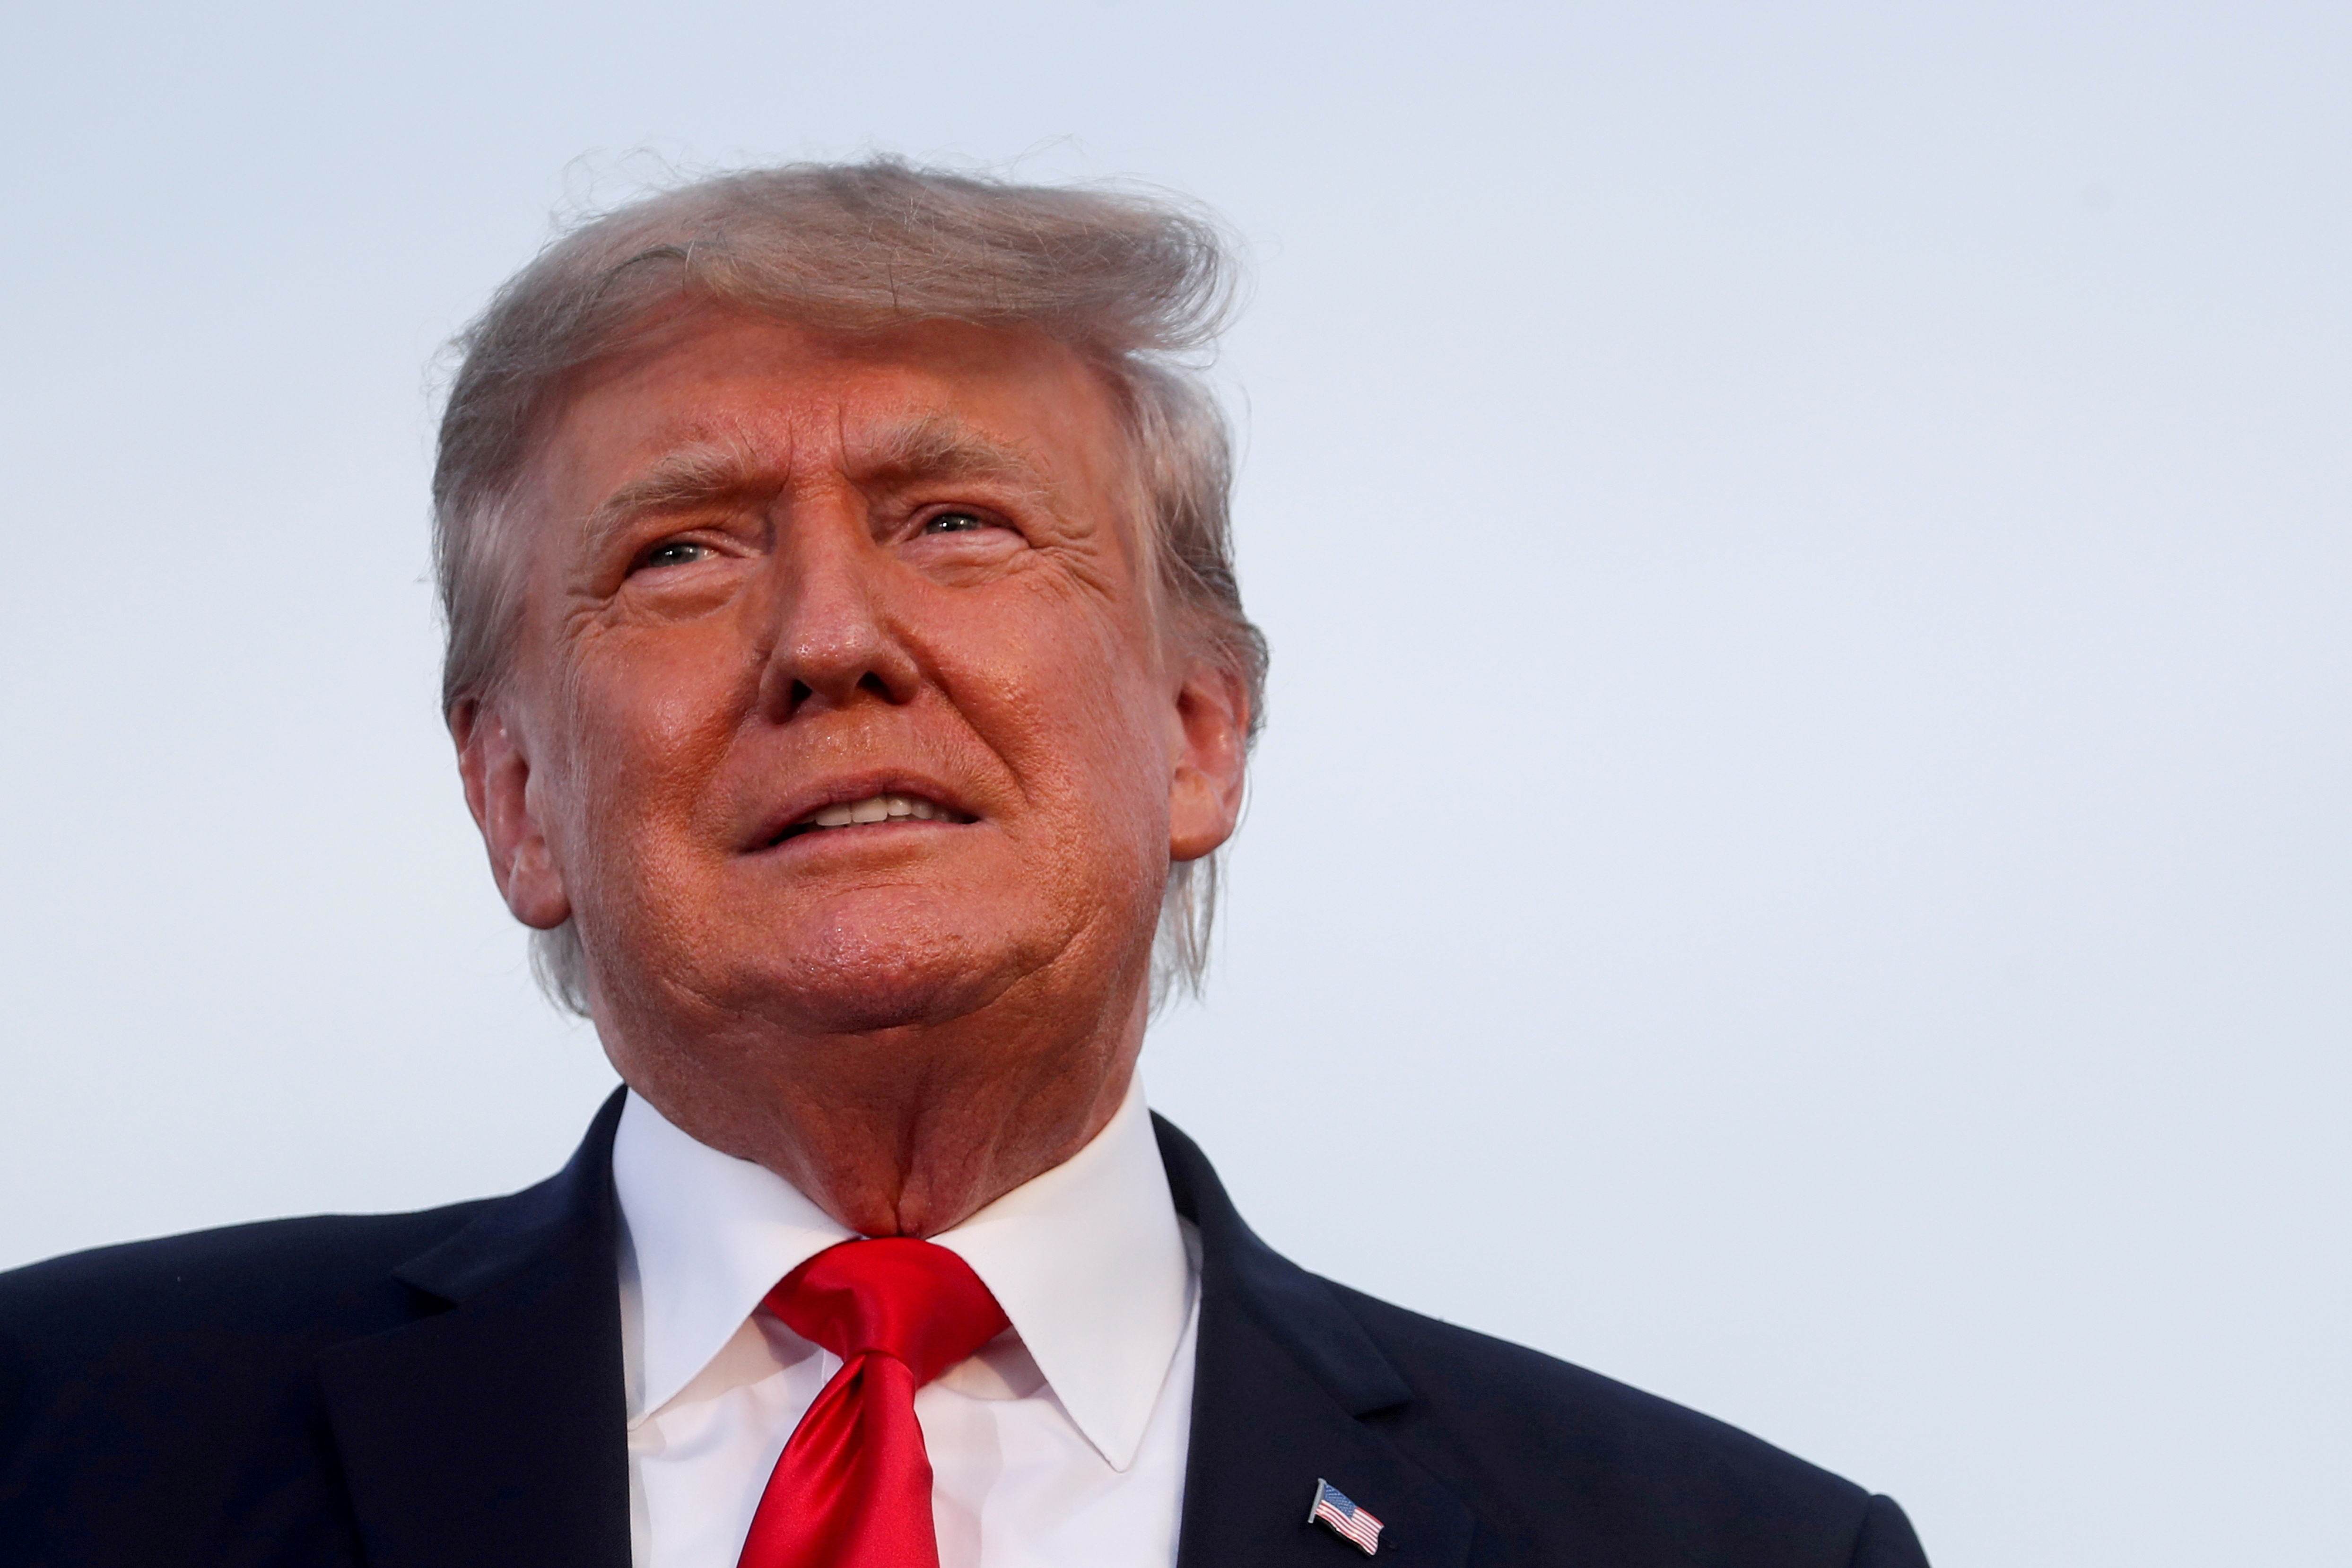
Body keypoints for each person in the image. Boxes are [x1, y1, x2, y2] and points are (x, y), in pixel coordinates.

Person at [0, 160, 1931, 1568]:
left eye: (954, 522)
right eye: (681, 549)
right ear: (513, 798)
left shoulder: (1723, 1548)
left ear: (1195, 731)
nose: (831, 638)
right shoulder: (59, 1439)